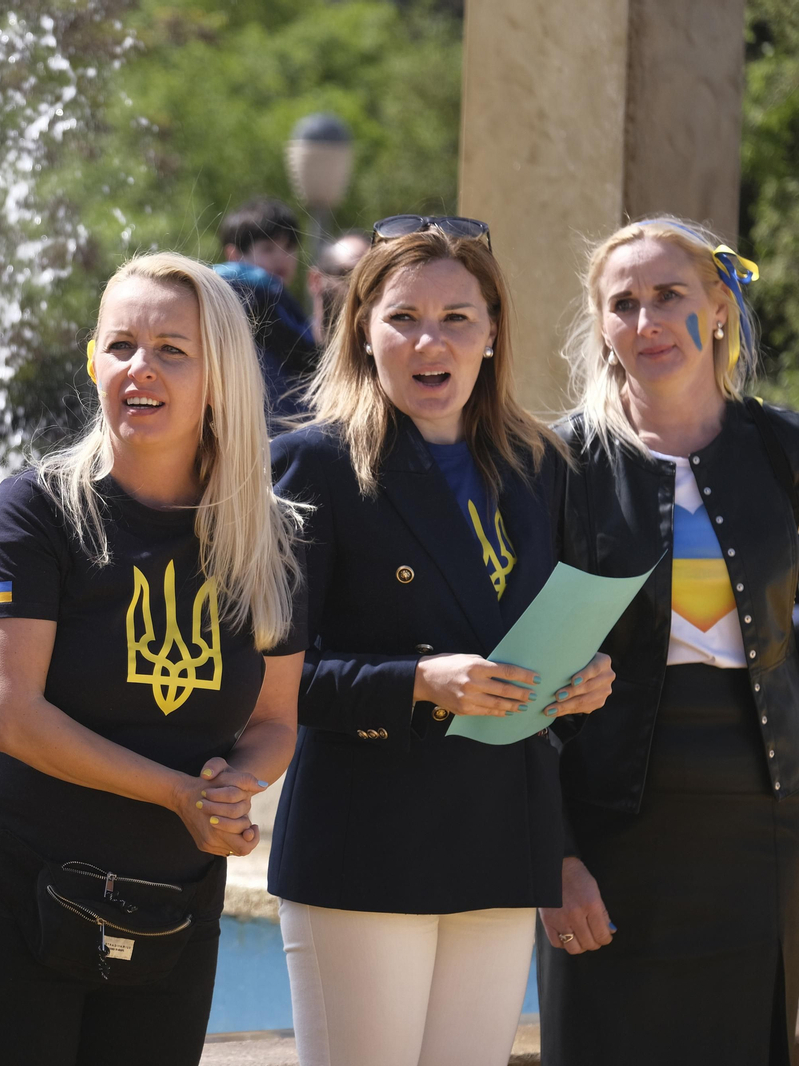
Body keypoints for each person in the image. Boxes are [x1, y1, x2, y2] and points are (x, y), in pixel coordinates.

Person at [0, 252, 307, 1066]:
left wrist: (234, 788)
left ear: (220, 378)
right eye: (121, 345)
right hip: (9, 905)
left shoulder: (268, 536)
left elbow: (274, 722)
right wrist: (181, 796)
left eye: (172, 349)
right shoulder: (35, 511)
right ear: (93, 360)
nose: (141, 368)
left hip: (171, 916)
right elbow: (13, 719)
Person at [268, 218, 614, 1066]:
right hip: (365, 841)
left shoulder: (543, 465)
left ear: (493, 332)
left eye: (458, 317)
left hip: (502, 838)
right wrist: (420, 682)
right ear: (363, 331)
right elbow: (270, 682)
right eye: (403, 318)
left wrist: (584, 677)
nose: (432, 341)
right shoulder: (312, 464)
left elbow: (545, 633)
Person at [537, 217, 799, 1064]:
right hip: (610, 837)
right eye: (624, 304)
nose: (646, 322)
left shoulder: (783, 450)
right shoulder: (559, 465)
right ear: (602, 323)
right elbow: (522, 683)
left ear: (719, 306)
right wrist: (554, 858)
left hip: (763, 838)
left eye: (669, 296)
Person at [214, 199, 318, 418]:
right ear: (234, 256)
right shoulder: (253, 298)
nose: (282, 258)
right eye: (268, 248)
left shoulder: (281, 301)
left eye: (289, 248)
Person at [307, 231, 372, 347]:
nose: (362, 289)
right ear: (315, 281)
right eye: (349, 275)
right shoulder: (284, 349)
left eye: (371, 279)